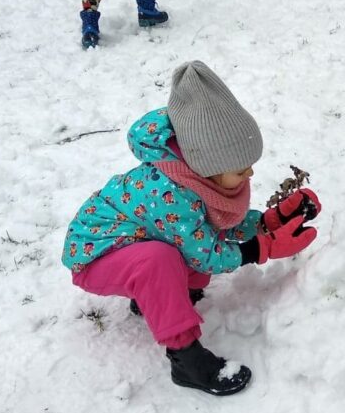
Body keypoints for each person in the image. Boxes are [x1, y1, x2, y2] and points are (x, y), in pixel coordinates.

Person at [62, 61, 321, 395]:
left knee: (174, 249)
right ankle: (185, 359)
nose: (250, 176)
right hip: (96, 255)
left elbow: (216, 223)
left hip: (133, 241)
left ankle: (156, 298)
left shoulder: (197, 177)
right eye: (241, 169)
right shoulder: (171, 194)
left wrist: (271, 221)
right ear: (207, 165)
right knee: (159, 260)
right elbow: (205, 255)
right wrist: (262, 248)